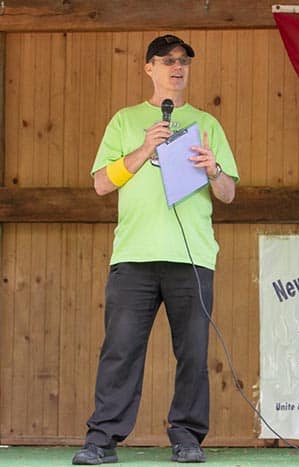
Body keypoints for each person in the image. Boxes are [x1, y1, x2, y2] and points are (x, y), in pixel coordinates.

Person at [72, 34, 238, 465]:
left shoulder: (207, 123)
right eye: (167, 60)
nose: (177, 67)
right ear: (149, 68)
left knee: (193, 352)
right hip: (134, 255)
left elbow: (228, 194)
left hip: (192, 256)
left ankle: (187, 437)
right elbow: (101, 183)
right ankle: (102, 439)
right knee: (121, 349)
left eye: (183, 61)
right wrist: (146, 148)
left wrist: (213, 169)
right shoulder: (125, 121)